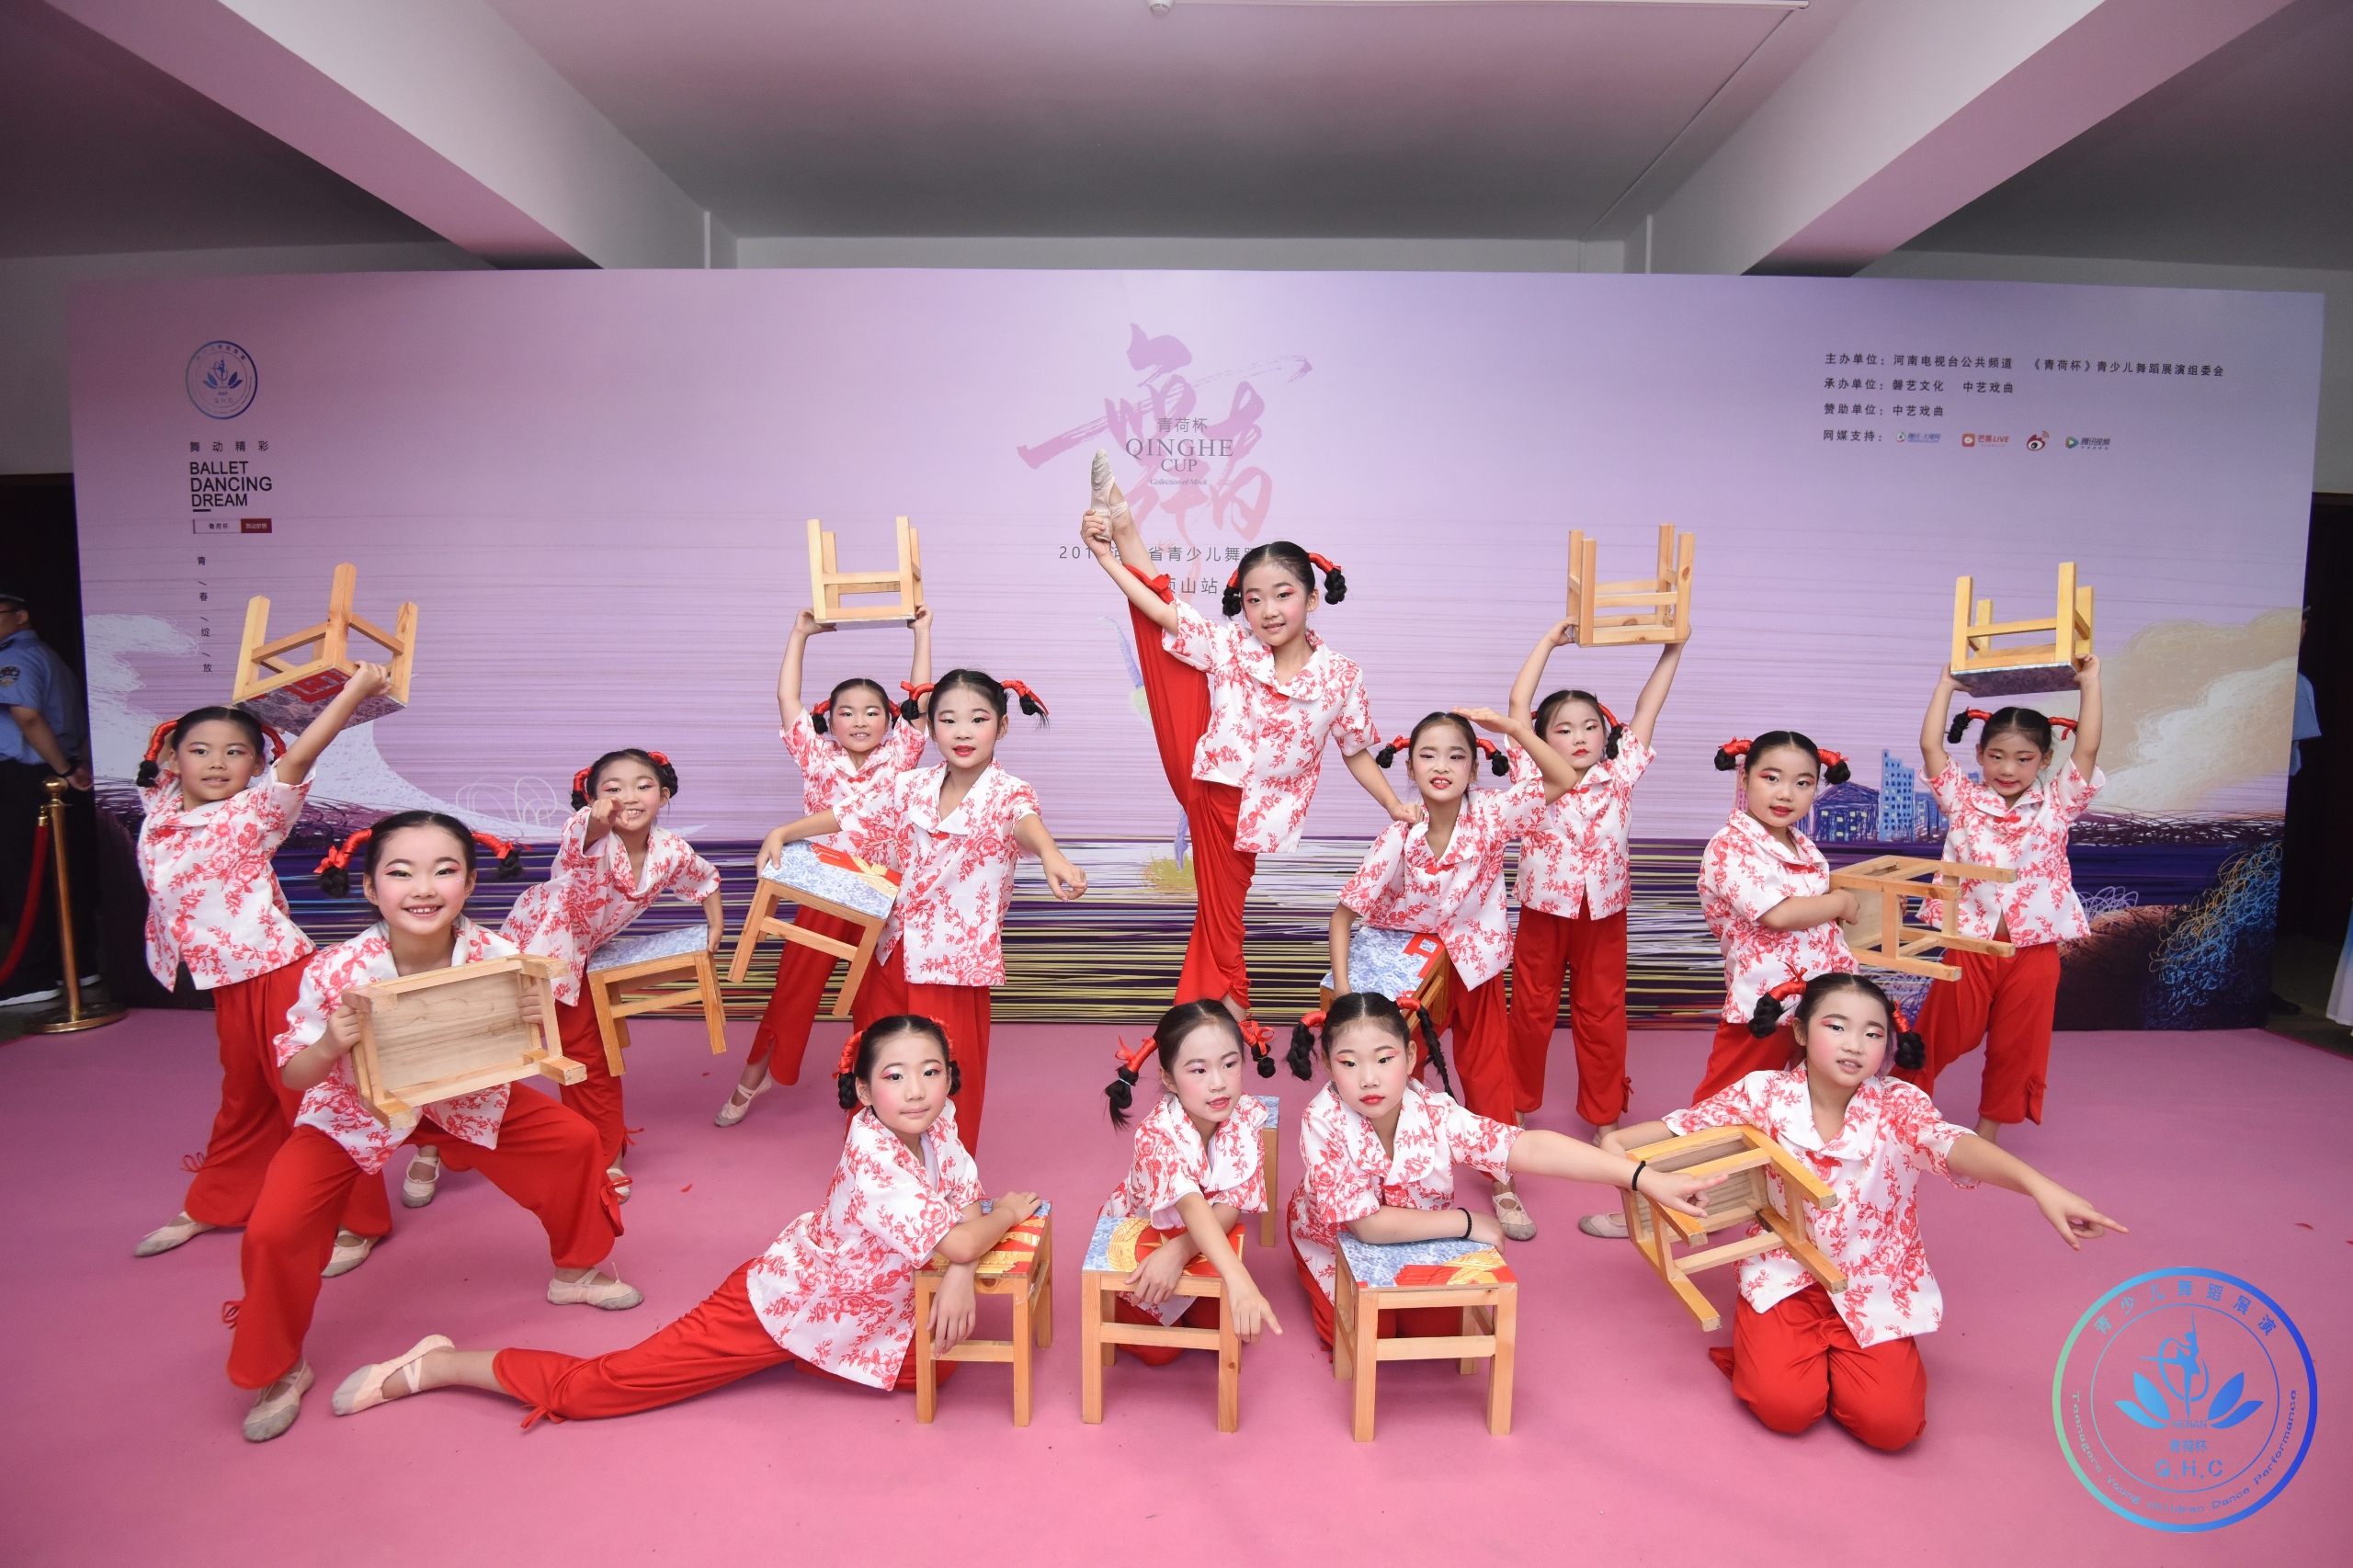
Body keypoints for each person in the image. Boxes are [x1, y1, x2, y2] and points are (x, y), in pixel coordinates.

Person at [326, 1015, 1041, 1427]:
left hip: (870, 1310)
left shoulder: (939, 1122)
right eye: (895, 1075)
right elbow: (967, 1226)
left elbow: (961, 1203)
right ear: (862, 1088)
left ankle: (813, 1353)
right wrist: (1000, 1218)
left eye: (931, 1072)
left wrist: (958, 1270)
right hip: (782, 1305)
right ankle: (437, 1363)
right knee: (597, 1391)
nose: (916, 1091)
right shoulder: (873, 1150)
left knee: (942, 1366)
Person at [229, 812, 634, 1442]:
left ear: (468, 884)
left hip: (463, 1097)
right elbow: (294, 1076)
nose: (423, 888)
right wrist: (330, 1044)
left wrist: (535, 1013)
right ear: (371, 888)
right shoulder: (335, 970)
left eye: (444, 871)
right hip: (356, 1111)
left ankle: (576, 1272)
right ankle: (278, 1368)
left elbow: (523, 1041)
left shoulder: (497, 955)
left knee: (574, 1142)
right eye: (401, 873)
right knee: (274, 1227)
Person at [1603, 971, 2123, 1451]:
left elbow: (1953, 1144)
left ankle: (1843, 1359)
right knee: (1785, 1408)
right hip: (1785, 1271)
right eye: (1836, 1026)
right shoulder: (1762, 1093)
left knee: (1892, 1427)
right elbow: (1677, 1129)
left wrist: (2037, 1186)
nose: (1855, 1043)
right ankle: (1770, 1348)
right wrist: (1618, 1150)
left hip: (1875, 1280)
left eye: (1873, 1034)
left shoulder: (1900, 1103)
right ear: (1800, 1031)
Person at [1079, 467, 1414, 1022]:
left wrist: (1395, 804)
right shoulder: (1232, 646)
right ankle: (1233, 1015)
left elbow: (1355, 749)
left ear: (1312, 597)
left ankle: (1207, 1025)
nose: (1269, 610)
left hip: (1262, 817)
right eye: (1255, 599)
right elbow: (1161, 610)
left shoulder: (1342, 676)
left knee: (1219, 917)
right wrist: (1107, 558)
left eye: (1284, 595)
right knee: (1224, 919)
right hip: (1210, 789)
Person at [130, 665, 399, 1272]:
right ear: (173, 758)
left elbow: (301, 755)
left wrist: (353, 693)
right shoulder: (160, 806)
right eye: (200, 750)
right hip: (225, 979)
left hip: (277, 972)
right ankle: (220, 1201)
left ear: (256, 765)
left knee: (315, 1095)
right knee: (244, 1095)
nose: (216, 762)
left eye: (235, 752)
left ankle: (360, 1220)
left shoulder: (253, 812)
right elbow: (164, 754)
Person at [759, 669, 1087, 1150]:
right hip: (889, 950)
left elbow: (1026, 823)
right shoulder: (910, 785)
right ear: (930, 728)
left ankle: (948, 1177)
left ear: (1002, 726)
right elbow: (854, 815)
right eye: (948, 720)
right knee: (878, 1064)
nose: (962, 732)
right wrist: (784, 832)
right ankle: (873, 1168)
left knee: (948, 1074)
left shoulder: (1009, 792)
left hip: (954, 963)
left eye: (978, 719)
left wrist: (1052, 855)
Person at [1283, 992, 1720, 1349]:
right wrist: (1467, 1223)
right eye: (1349, 1062)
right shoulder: (1322, 1119)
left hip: (1423, 1238)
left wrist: (1646, 1178)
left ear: (1411, 1055)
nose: (1369, 1079)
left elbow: (1527, 1146)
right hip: (1337, 1242)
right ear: (1328, 1064)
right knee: (1366, 1340)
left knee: (1438, 1339)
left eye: (1384, 1059)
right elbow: (1368, 1227)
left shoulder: (1435, 1111)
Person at [1584, 732, 1859, 1239]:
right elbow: (1777, 915)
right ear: (1744, 777)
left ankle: (1778, 1197)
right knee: (1718, 1110)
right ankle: (1652, 1205)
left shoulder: (1804, 846)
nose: (1786, 793)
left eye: (1803, 783)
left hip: (1821, 1001)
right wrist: (1841, 902)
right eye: (1771, 777)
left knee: (1808, 1103)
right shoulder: (1729, 847)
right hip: (1765, 1007)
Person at [1332, 707, 1578, 1237]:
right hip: (1410, 974)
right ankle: (1397, 1180)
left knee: (1488, 1069)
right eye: (1428, 755)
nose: (1441, 766)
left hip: (1475, 963)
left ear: (1473, 767)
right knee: (1401, 1072)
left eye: (1456, 756)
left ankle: (1502, 1180)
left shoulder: (1492, 814)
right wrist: (1347, 996)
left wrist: (1514, 730)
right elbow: (1343, 917)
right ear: (1410, 767)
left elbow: (1562, 778)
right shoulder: (1399, 835)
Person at [720, 606, 932, 1126]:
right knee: (795, 989)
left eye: (872, 712)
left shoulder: (901, 756)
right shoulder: (816, 757)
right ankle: (754, 1078)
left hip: (885, 894)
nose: (859, 721)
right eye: (847, 712)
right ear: (829, 719)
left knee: (881, 999)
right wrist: (800, 635)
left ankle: (878, 1098)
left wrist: (923, 633)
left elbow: (922, 699)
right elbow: (786, 699)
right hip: (827, 889)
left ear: (890, 719)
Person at [490, 749, 722, 1202]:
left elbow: (706, 879)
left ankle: (605, 1154)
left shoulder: (670, 849)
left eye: (643, 786)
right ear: (592, 799)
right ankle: (437, 1146)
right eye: (613, 789)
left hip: (581, 960)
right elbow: (590, 827)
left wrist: (716, 925)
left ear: (664, 795)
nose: (629, 797)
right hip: (530, 946)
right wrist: (598, 815)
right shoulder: (587, 831)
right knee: (490, 1047)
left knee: (589, 1060)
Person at [1899, 663, 2104, 1141]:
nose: (2008, 769)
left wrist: (2090, 684)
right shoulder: (1962, 799)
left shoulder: (2058, 802)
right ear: (1980, 754)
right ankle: (1899, 1109)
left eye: (2023, 758)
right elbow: (1931, 746)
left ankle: (1988, 1133)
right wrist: (1946, 686)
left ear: (2045, 759)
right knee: (1942, 1032)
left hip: (2034, 950)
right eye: (1996, 756)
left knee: (2019, 1044)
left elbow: (2088, 747)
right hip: (1971, 944)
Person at [1503, 623, 1687, 1136]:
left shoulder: (1620, 775)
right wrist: (1548, 642)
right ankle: (1516, 1106)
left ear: (1606, 735)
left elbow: (1648, 707)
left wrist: (1673, 648)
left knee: (1602, 1014)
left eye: (1590, 726)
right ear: (1540, 739)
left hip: (1604, 915)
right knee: (1531, 1012)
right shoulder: (1530, 776)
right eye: (1563, 729)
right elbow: (1518, 705)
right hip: (1543, 913)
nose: (1580, 737)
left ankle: (1605, 1118)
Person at [1097, 1000, 1283, 1361]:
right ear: (1168, 1078)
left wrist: (1179, 1251)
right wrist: (1240, 1280)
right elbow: (1191, 1203)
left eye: (1229, 1064)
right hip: (1142, 1228)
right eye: (1198, 1070)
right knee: (1160, 1353)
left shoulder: (1247, 1115)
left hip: (1195, 1237)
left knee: (1225, 1328)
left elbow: (1230, 1204)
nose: (1218, 1083)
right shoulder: (1156, 1134)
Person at [0, 585, 98, 1006]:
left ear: (21, 615)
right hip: (58, 773)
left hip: (32, 775)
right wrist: (72, 767)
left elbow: (26, 714)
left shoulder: (15, 657)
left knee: (26, 876)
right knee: (63, 874)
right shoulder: (49, 656)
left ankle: (34, 976)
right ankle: (77, 964)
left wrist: (61, 768)